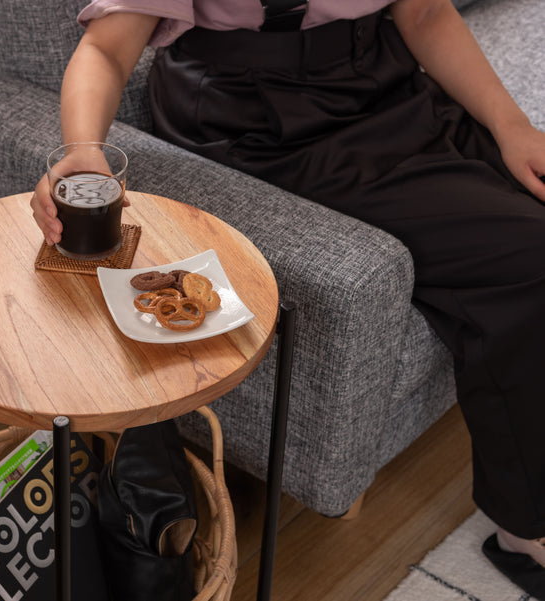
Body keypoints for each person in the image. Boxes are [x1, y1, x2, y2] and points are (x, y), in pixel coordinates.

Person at [30, 0, 545, 596]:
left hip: (385, 83)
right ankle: (525, 525)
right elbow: (106, 48)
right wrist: (83, 149)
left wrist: (512, 128)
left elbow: (426, 13)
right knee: (530, 259)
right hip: (262, 125)